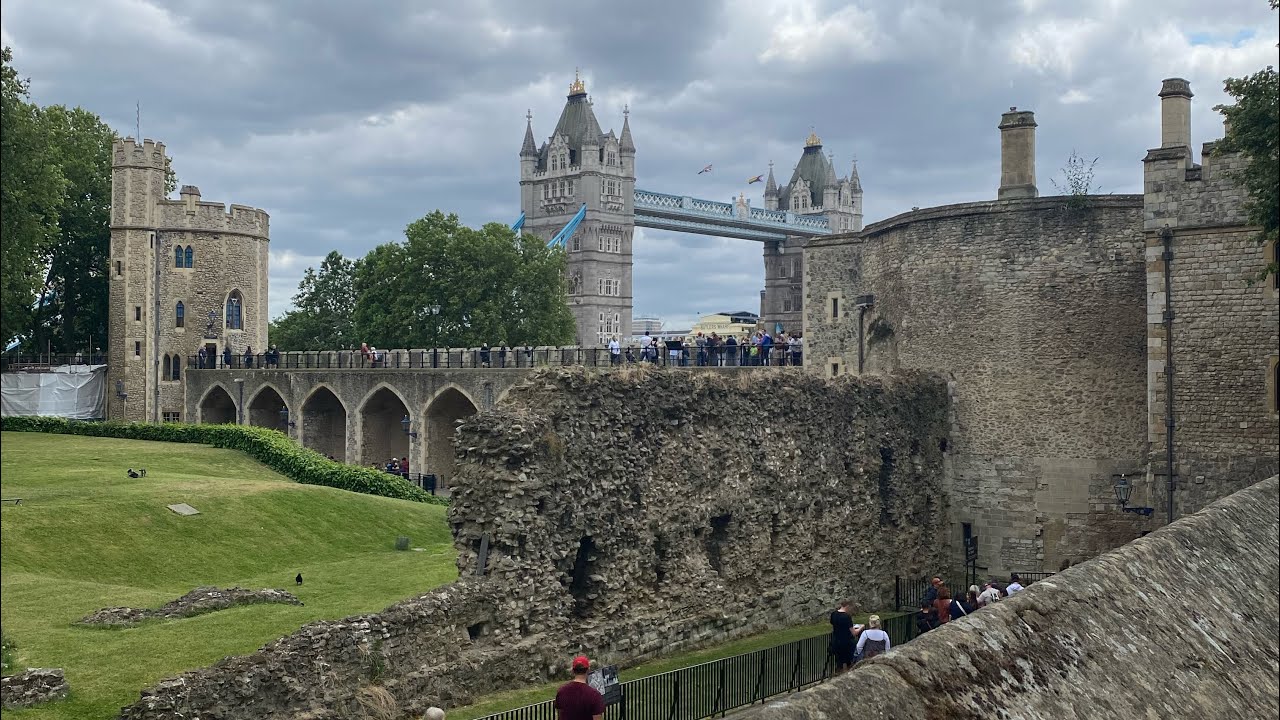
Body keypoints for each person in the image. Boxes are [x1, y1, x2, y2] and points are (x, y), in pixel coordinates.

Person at [554, 655, 605, 720]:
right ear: (588, 670)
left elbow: (560, 715)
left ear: (573, 671)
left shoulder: (561, 691)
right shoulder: (594, 695)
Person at [829, 599, 857, 673]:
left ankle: (839, 672)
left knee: (839, 662)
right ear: (847, 606)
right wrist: (861, 627)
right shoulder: (847, 616)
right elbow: (854, 633)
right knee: (849, 662)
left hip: (836, 641)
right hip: (847, 642)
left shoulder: (834, 614)